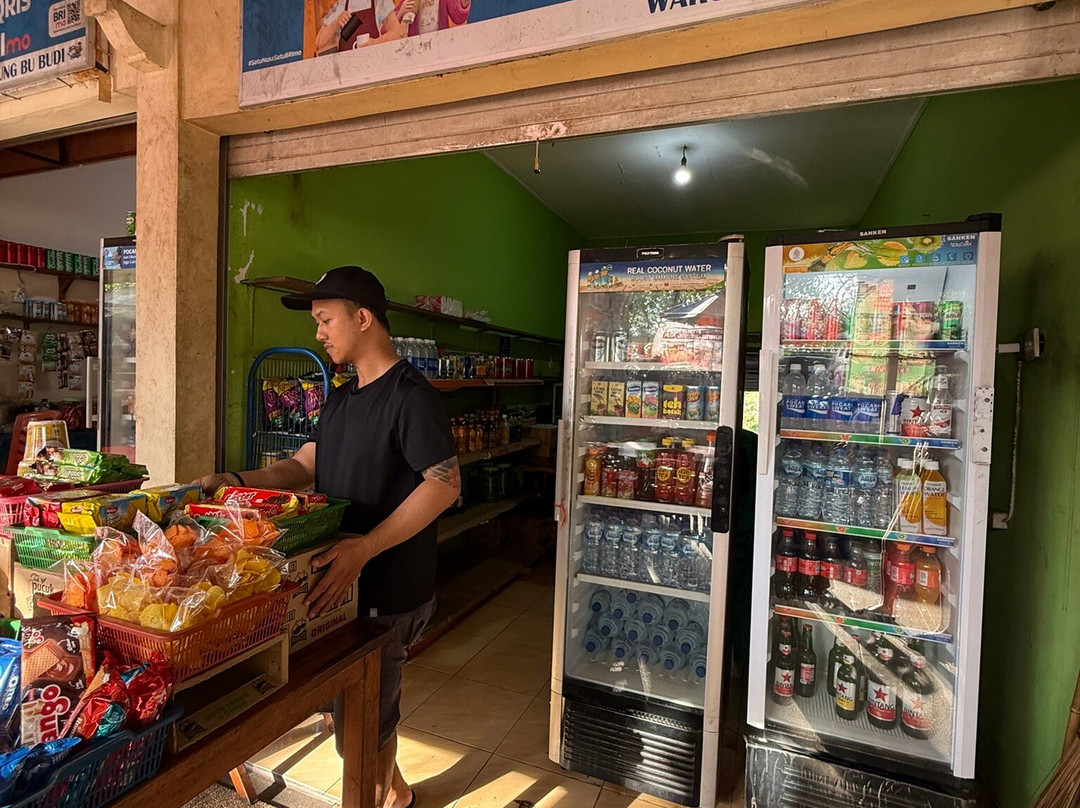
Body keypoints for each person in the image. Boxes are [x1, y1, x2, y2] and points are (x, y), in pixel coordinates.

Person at [195, 266, 459, 808]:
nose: (318, 333)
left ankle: (382, 796)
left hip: (389, 587)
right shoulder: (341, 396)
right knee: (353, 714)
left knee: (362, 729)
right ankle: (399, 794)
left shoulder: (411, 397)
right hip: (341, 581)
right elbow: (304, 463)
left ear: (362, 319)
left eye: (325, 320)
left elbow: (444, 485)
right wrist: (238, 481)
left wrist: (364, 548)